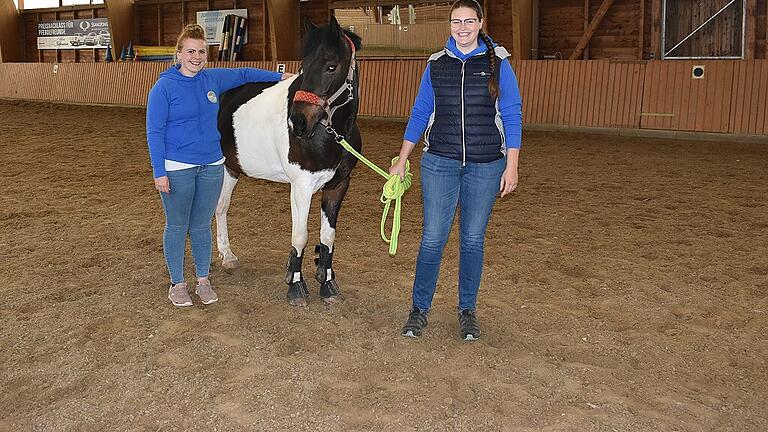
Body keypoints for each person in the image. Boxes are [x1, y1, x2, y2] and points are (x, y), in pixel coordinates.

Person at [389, 0, 523, 340]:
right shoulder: (436, 64)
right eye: (455, 22)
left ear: (480, 23)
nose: (462, 27)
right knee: (433, 238)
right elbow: (421, 112)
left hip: (487, 165)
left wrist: (512, 165)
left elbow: (512, 113)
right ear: (449, 25)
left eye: (469, 21)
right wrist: (402, 157)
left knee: (472, 240)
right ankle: (419, 310)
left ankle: (467, 311)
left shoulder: (499, 64)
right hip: (439, 164)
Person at [146, 24, 290, 307]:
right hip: (177, 167)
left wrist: (281, 77)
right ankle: (177, 283)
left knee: (201, 225)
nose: (196, 57)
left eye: (201, 51)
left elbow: (245, 74)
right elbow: (154, 132)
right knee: (176, 226)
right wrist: (159, 171)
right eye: (190, 51)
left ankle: (202, 280)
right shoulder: (163, 88)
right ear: (179, 54)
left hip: (212, 165)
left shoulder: (211, 79)